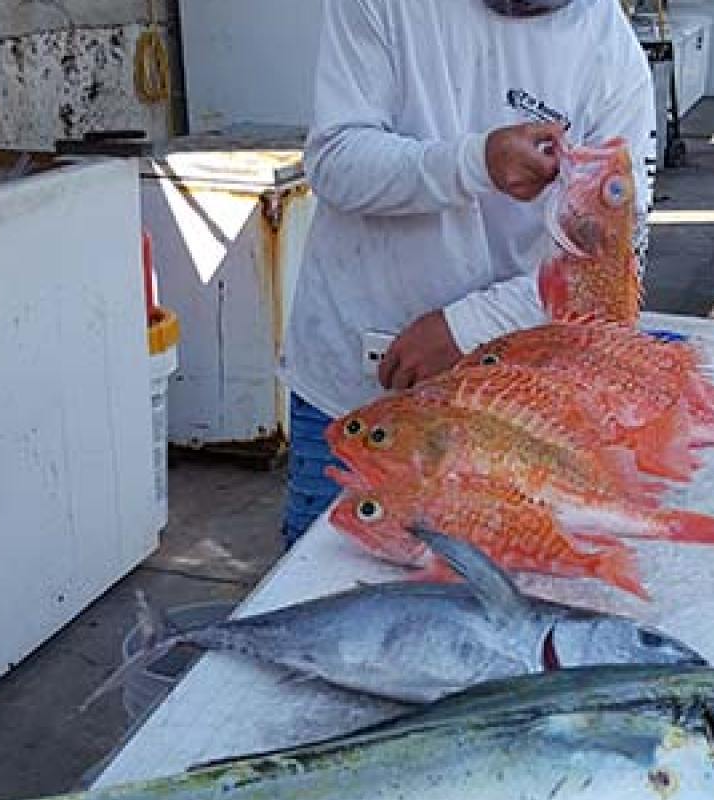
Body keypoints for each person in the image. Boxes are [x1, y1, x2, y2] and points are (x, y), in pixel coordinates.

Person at [280, 0, 656, 544]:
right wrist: (474, 163)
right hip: (353, 382)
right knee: (320, 585)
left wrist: (469, 328)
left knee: (480, 601)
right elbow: (336, 160)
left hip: (510, 413)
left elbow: (610, 263)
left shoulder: (610, 54)